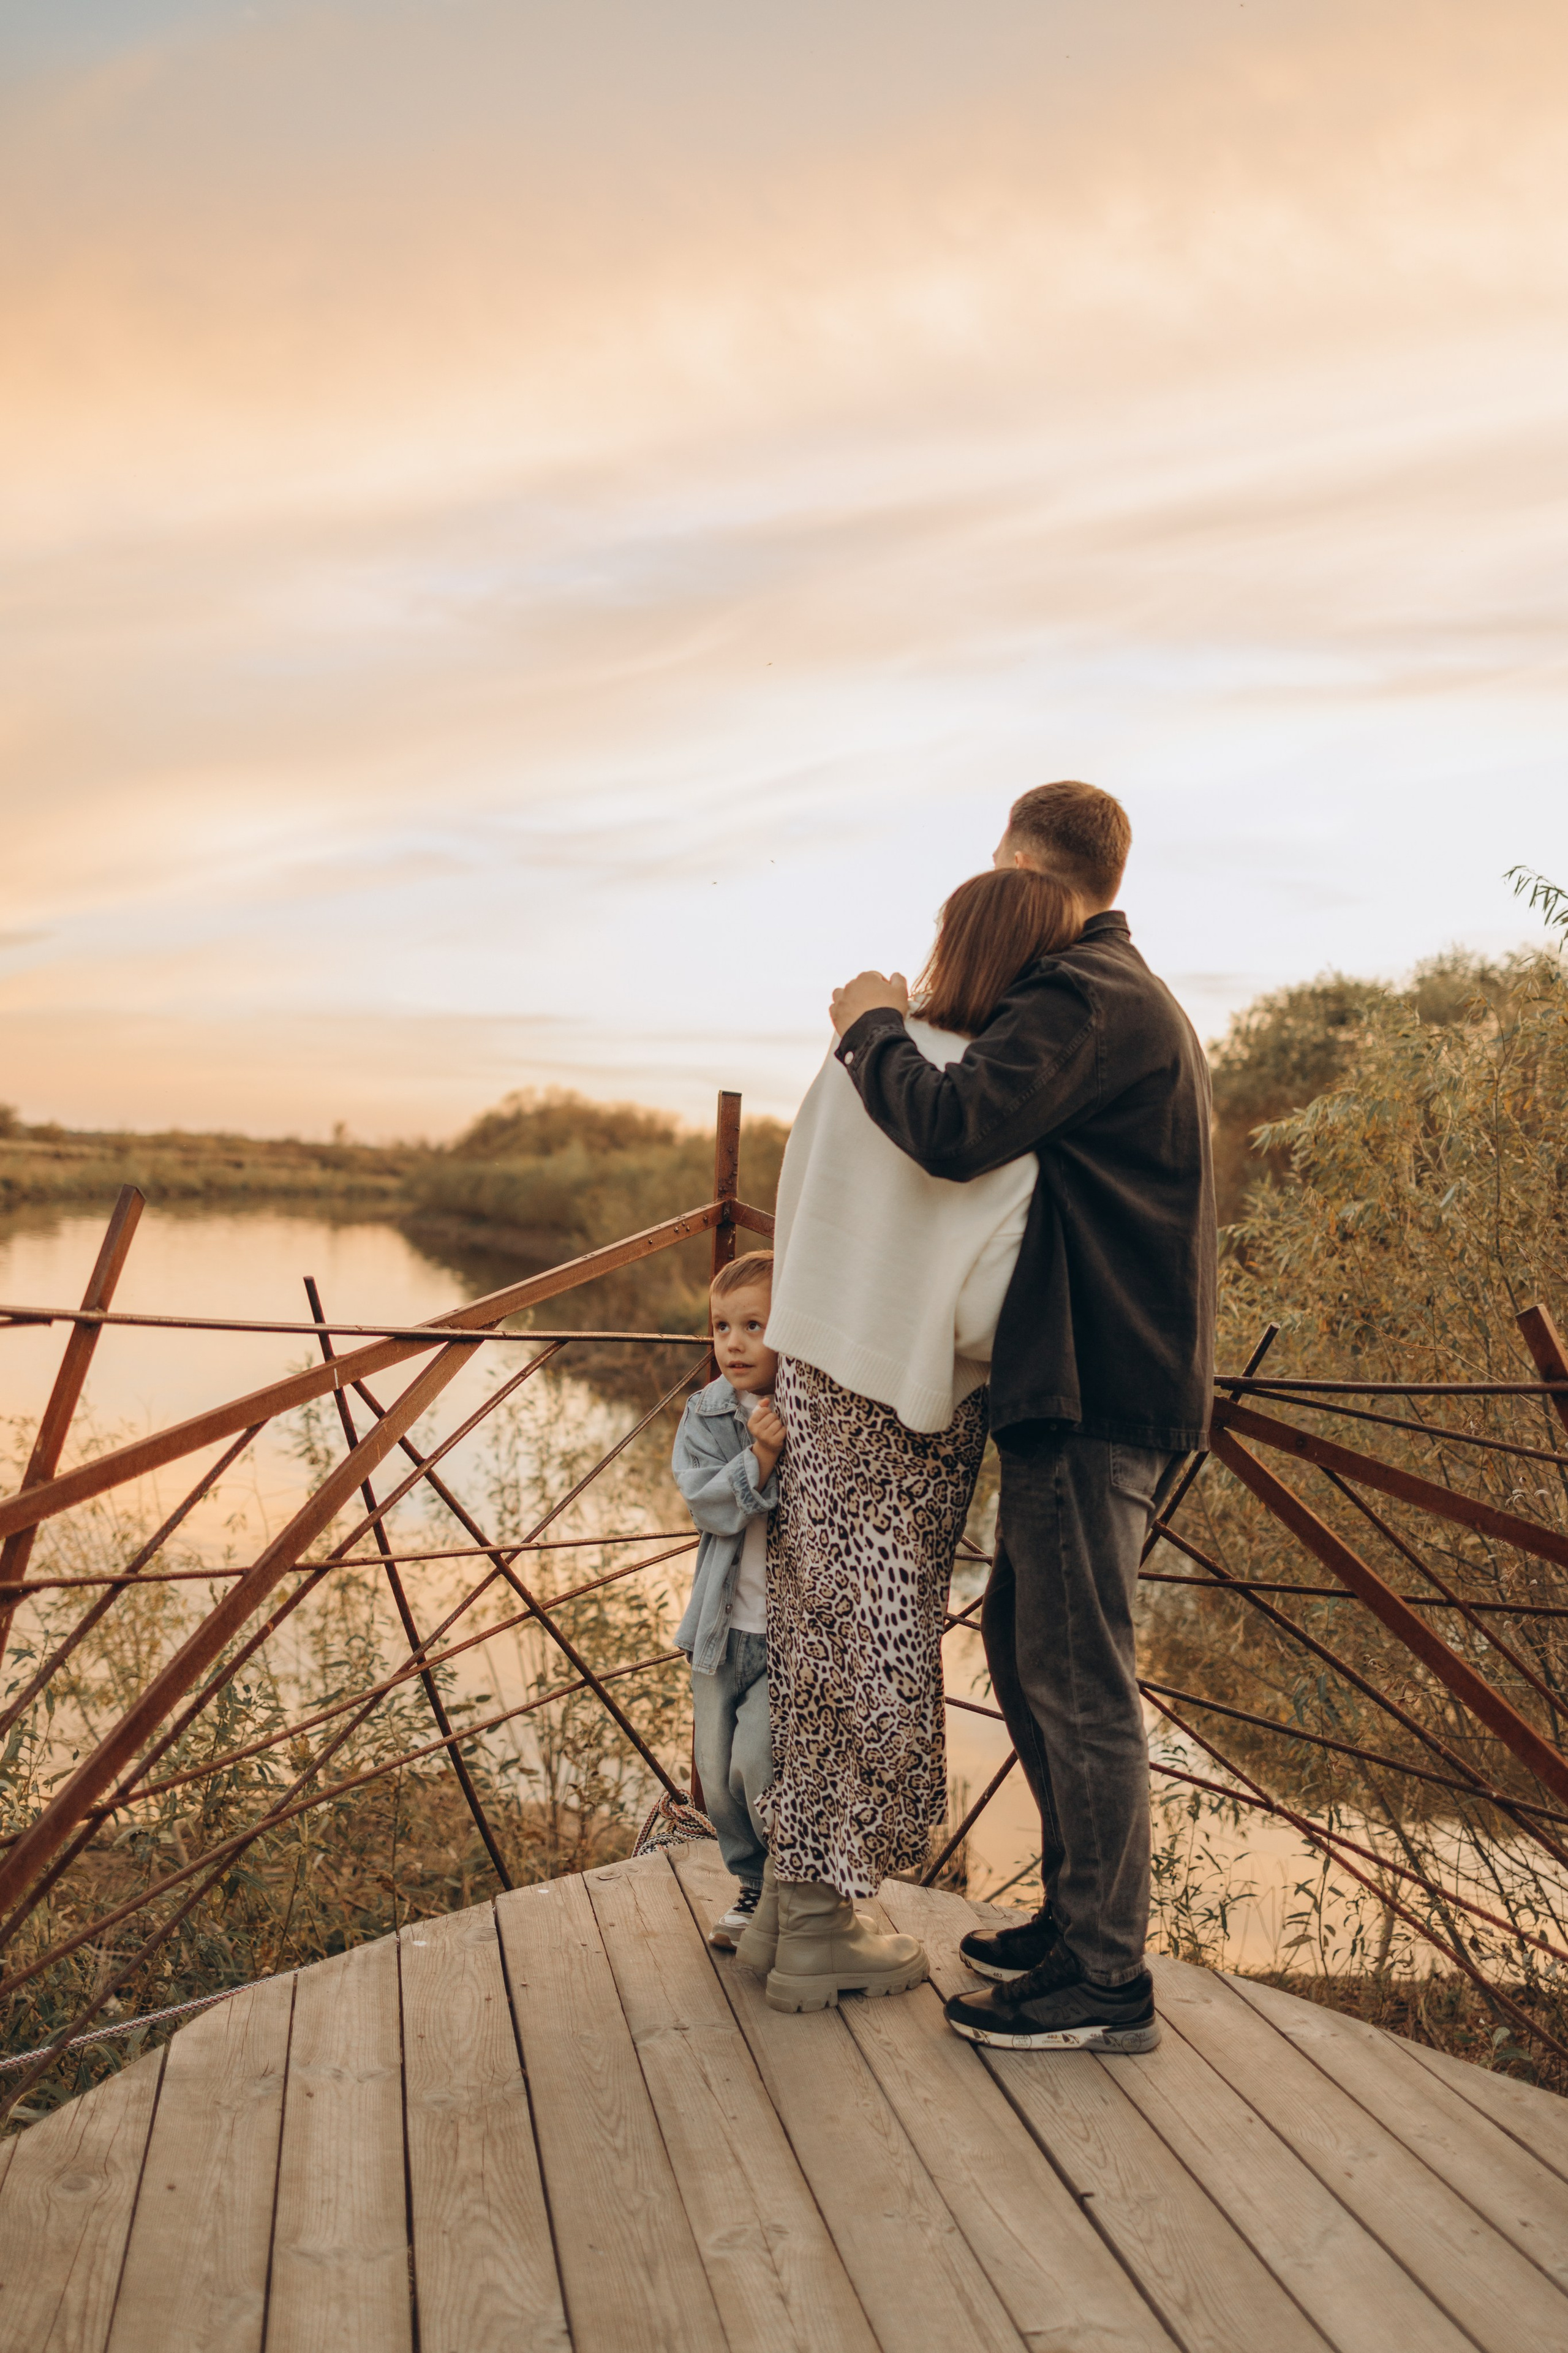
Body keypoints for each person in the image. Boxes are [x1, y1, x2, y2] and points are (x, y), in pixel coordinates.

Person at [830, 780, 1215, 2055]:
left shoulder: (1081, 994)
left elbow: (949, 1127)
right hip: (1105, 1376)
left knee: (1076, 1677)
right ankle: (1072, 1921)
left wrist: (871, 1026)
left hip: (1095, 1383)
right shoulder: (1123, 994)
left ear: (1018, 868)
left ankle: (1103, 1983)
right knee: (1022, 1647)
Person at [737, 866, 1084, 2015]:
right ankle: (825, 1928)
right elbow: (984, 1305)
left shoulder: (854, 1070)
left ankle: (788, 1915)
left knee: (813, 1640)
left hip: (816, 1381)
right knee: (882, 1655)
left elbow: (801, 1208)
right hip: (908, 1417)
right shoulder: (1000, 1117)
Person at [670, 1252, 787, 1949]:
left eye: (754, 1324)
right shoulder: (708, 1410)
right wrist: (759, 1461)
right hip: (720, 1631)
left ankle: (779, 1888)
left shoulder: (817, 1414)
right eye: (721, 1326)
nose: (734, 1343)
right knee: (715, 1774)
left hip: (786, 1636)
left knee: (757, 1761)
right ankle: (747, 1887)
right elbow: (706, 1503)